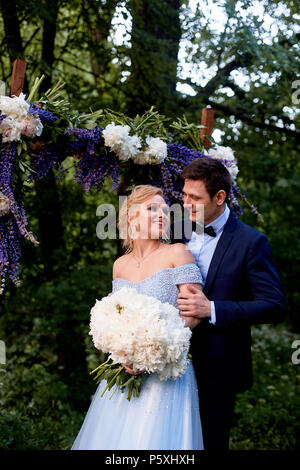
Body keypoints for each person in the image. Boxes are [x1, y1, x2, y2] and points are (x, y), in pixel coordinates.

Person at [71, 184, 204, 450]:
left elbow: (193, 314)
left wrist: (156, 350)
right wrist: (124, 353)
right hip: (124, 372)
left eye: (165, 211)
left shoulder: (177, 253)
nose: (161, 215)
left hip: (166, 374)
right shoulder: (119, 265)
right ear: (131, 217)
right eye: (152, 208)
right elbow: (115, 317)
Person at [170, 157, 286, 450]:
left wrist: (212, 309)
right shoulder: (175, 232)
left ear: (220, 198)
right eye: (183, 195)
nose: (185, 203)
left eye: (194, 198)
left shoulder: (251, 242)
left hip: (218, 367)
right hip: (168, 360)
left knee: (211, 441)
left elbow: (273, 304)